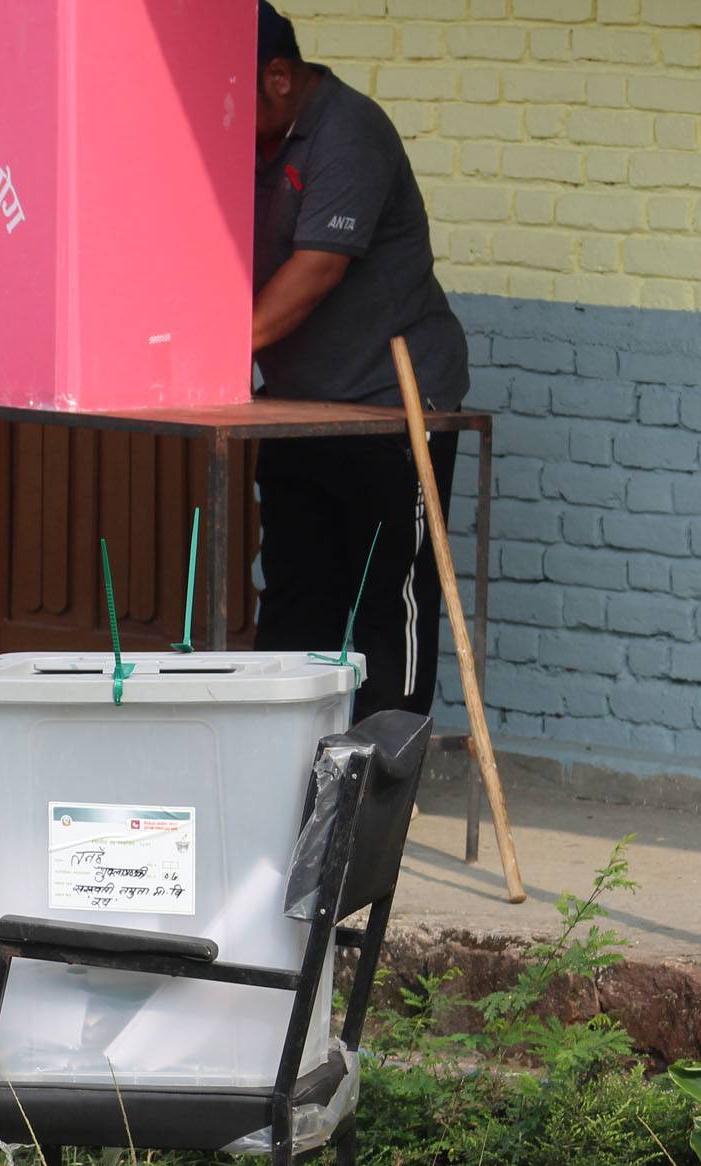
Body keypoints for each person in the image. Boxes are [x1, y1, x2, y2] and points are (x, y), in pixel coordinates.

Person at [249, 1, 470, 721]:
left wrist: (215, 349)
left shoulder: (349, 132)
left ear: (278, 76)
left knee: (387, 603)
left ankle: (382, 784)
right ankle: (286, 769)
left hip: (391, 409)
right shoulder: (247, 138)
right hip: (296, 411)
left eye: (232, 95)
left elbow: (317, 270)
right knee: (294, 598)